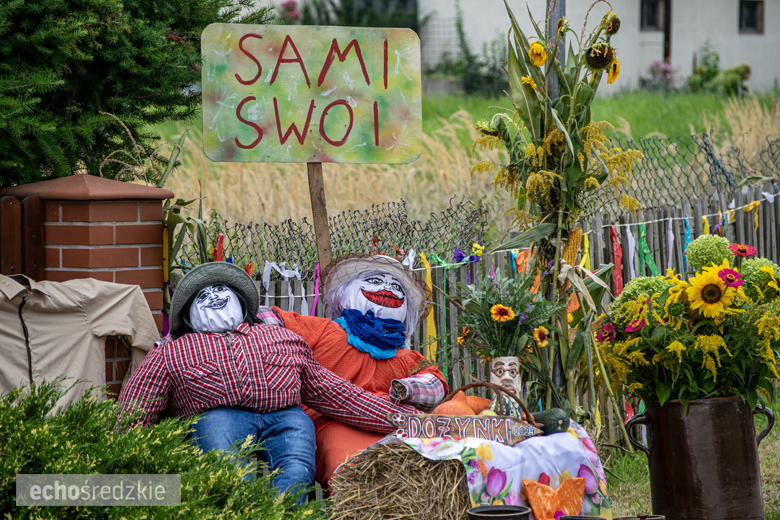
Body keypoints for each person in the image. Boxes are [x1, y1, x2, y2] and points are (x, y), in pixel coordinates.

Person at [117, 262, 421, 504]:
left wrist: (407, 419)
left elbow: (334, 393)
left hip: (287, 415)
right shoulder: (172, 351)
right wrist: (119, 459)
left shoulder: (281, 337)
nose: (214, 297)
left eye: (221, 289)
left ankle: (285, 513)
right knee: (229, 479)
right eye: (203, 296)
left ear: (240, 301)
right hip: (217, 416)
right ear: (189, 313)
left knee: (296, 474)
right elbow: (138, 404)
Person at [272, 254, 450, 489]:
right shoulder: (324, 331)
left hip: (395, 427)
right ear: (346, 292)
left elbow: (434, 381)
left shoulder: (407, 357)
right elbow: (276, 321)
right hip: (333, 423)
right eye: (375, 281)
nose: (387, 288)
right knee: (351, 473)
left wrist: (407, 389)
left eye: (397, 287)